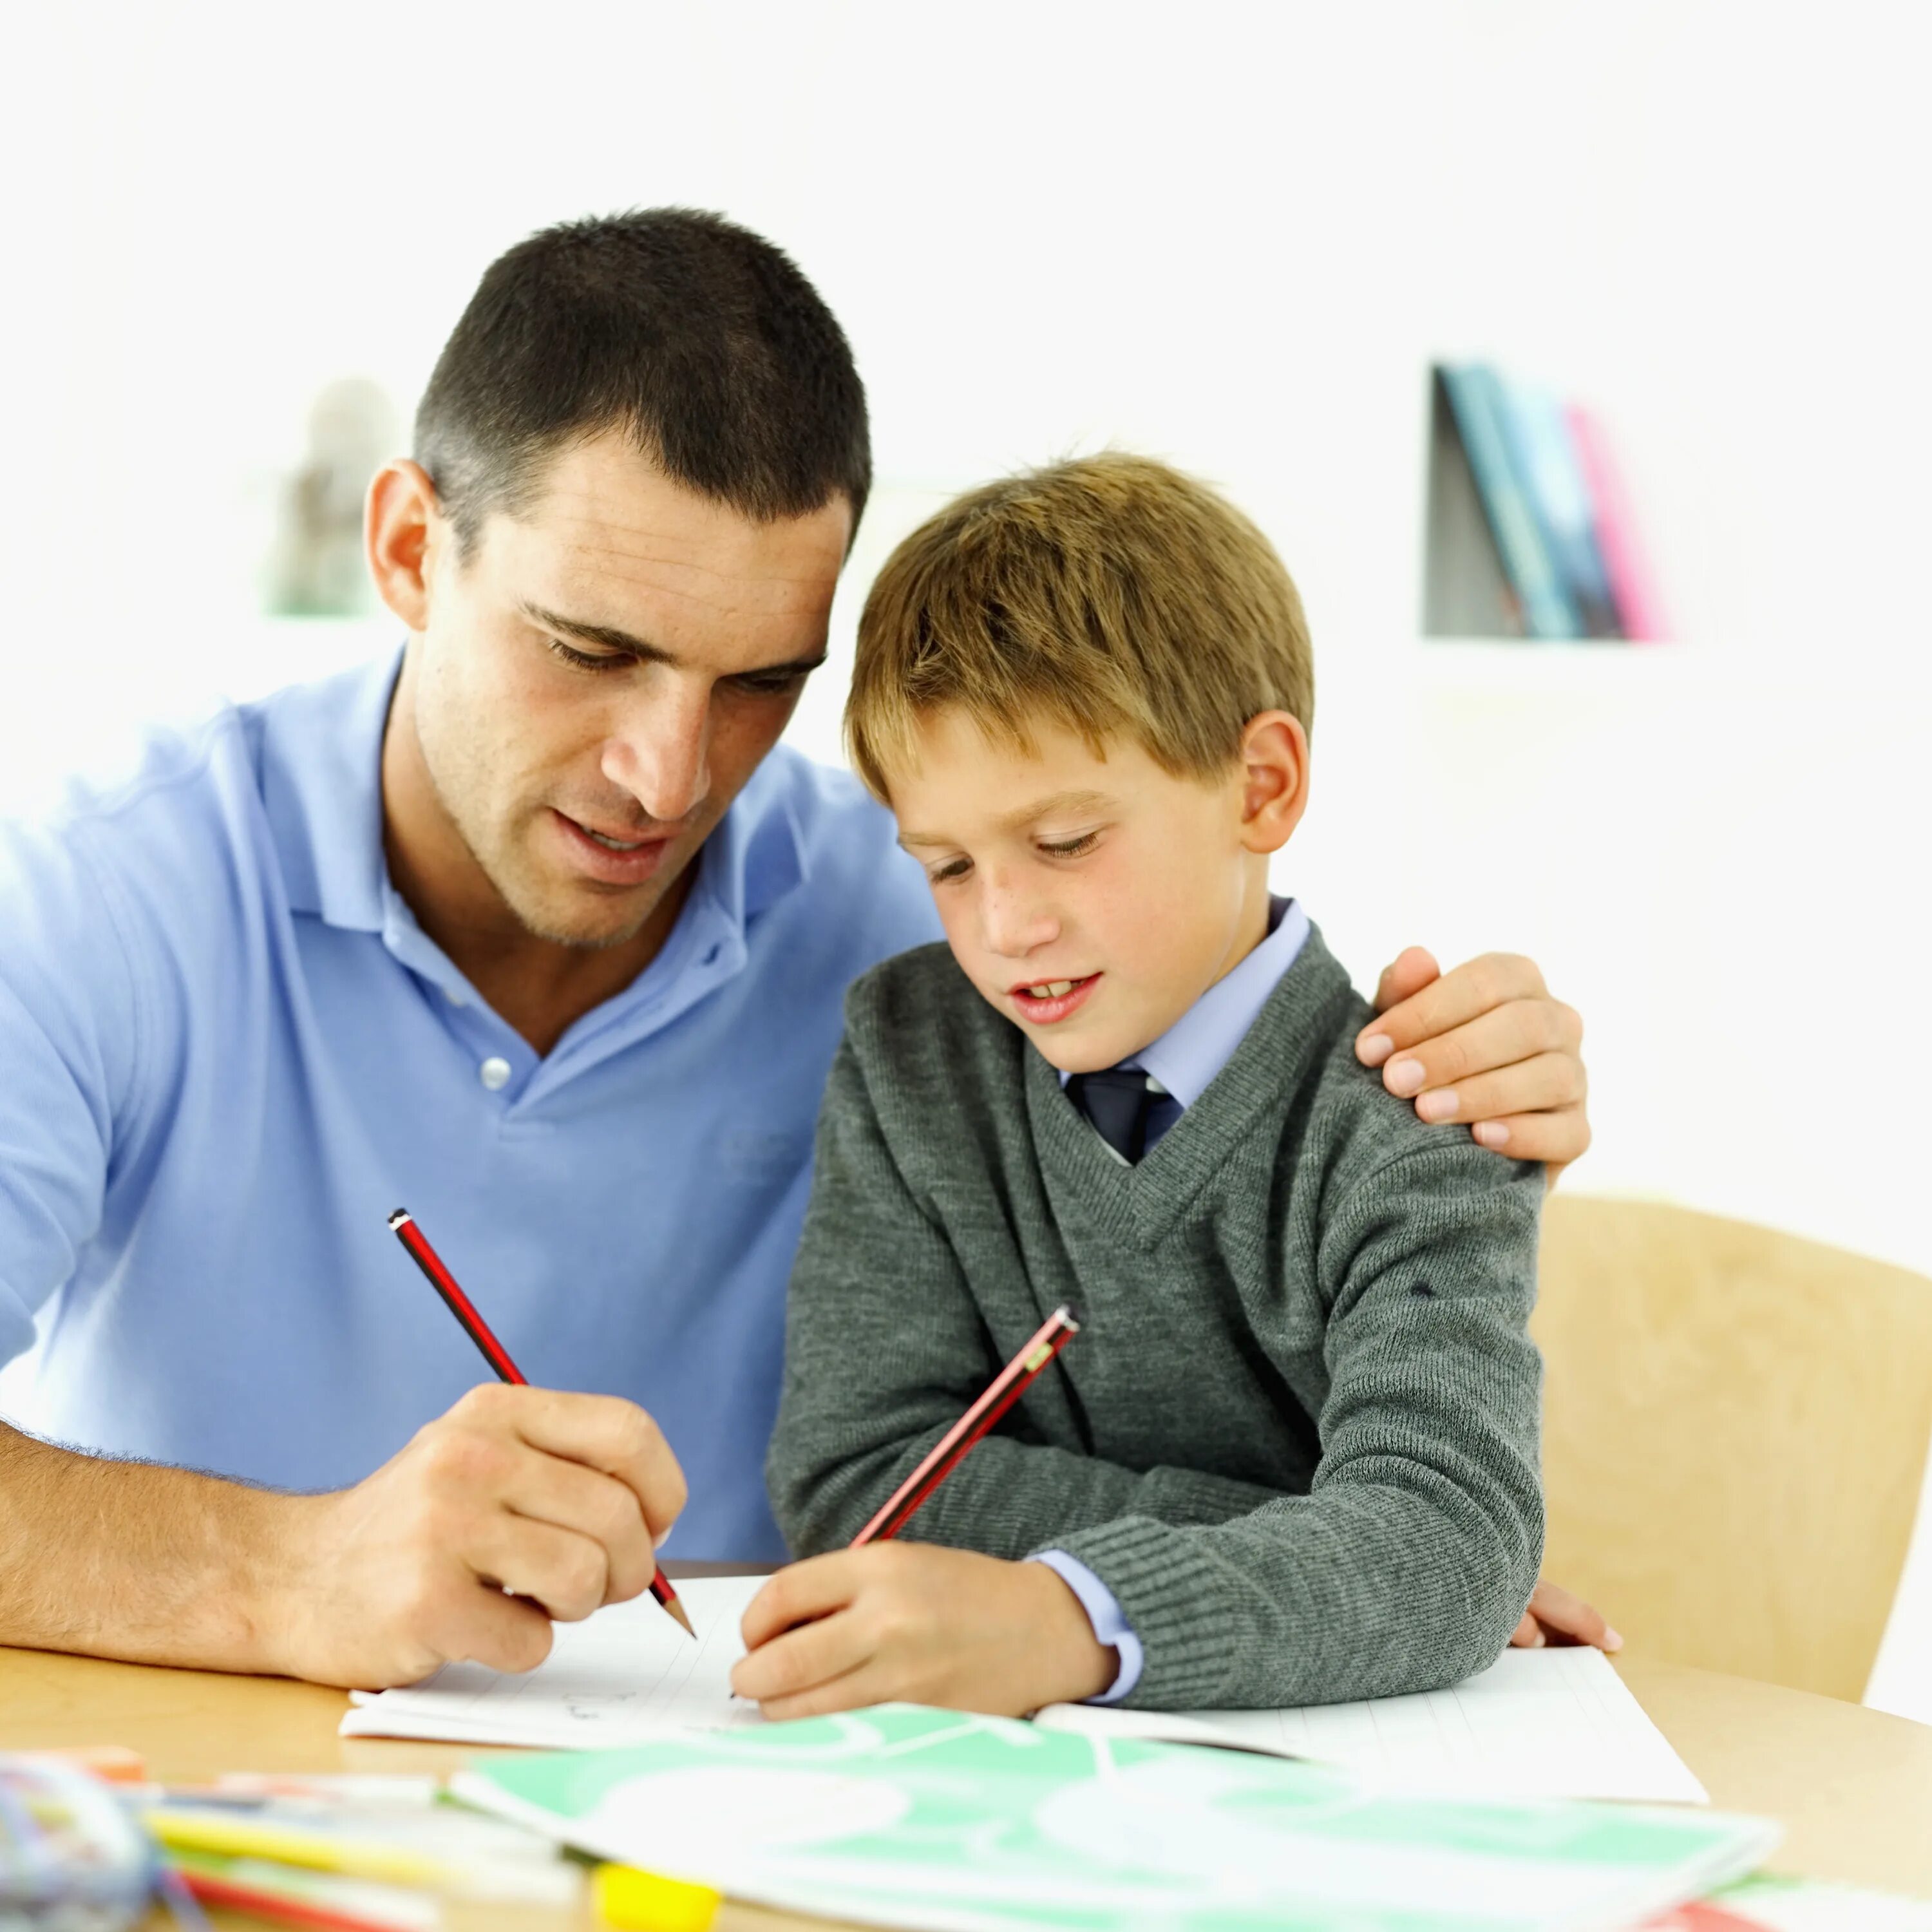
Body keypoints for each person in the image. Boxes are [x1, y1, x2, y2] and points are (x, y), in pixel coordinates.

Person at [0, 211, 1596, 1691]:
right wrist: (293, 1573)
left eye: (759, 680)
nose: (670, 776)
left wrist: (1474, 1072)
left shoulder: (913, 920)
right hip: (218, 1772)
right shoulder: (98, 904)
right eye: (591, 650)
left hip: (778, 1795)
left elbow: (1192, 952)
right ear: (415, 547)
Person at [738, 454, 1564, 1716]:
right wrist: (1313, 1547)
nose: (1005, 925)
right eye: (948, 865)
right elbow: (859, 1480)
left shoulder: (1422, 1116)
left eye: (1065, 842)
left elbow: (1447, 1534)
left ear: (1262, 787)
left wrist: (1075, 1617)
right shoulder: (915, 1049)